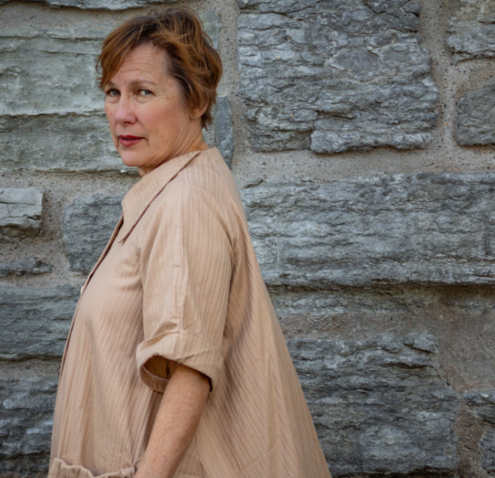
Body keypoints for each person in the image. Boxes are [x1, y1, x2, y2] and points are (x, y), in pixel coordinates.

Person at [47, 7, 332, 478]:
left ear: (196, 99)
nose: (121, 113)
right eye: (112, 93)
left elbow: (190, 369)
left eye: (143, 92)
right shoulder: (175, 187)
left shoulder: (184, 203)